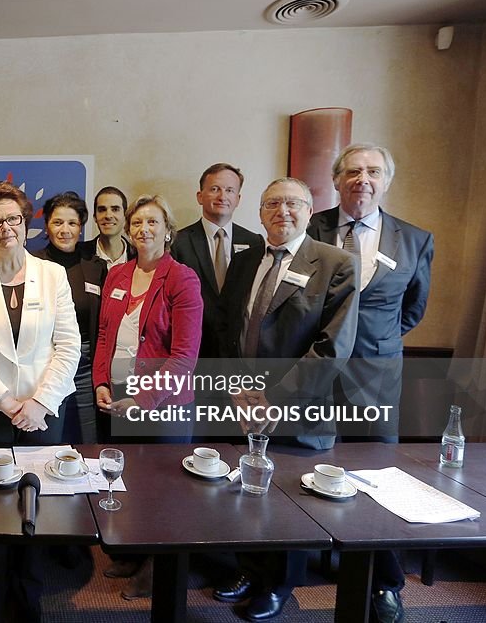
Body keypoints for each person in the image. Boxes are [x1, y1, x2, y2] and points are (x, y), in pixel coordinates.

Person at [214, 177, 358, 622]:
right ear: (259, 214)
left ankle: (278, 584)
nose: (282, 211)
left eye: (292, 203)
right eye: (272, 203)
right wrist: (236, 390)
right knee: (245, 489)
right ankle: (247, 568)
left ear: (310, 210)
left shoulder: (336, 263)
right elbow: (227, 330)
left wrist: (272, 397)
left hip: (297, 406)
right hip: (241, 403)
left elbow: (332, 348)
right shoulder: (245, 261)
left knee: (289, 499)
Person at [307, 143, 433, 623]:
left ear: (386, 181)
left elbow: (412, 311)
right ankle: (286, 572)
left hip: (376, 378)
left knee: (380, 479)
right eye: (353, 171)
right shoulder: (308, 227)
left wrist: (370, 345)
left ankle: (385, 583)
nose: (362, 179)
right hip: (313, 370)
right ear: (337, 181)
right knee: (298, 463)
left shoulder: (415, 239)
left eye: (373, 171)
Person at [0, 181, 81, 622]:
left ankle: (28, 597)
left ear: (26, 225)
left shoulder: (53, 274)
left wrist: (40, 402)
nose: (5, 228)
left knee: (35, 504)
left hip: (44, 411)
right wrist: (7, 402)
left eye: (12, 219)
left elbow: (68, 345)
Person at [92, 194, 203, 599]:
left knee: (163, 490)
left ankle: (157, 570)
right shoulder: (117, 275)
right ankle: (135, 553)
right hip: (121, 393)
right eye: (137, 222)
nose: (144, 229)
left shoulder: (182, 278)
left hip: (164, 402)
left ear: (167, 230)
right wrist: (101, 381)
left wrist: (145, 399)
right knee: (129, 482)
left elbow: (184, 356)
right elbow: (105, 335)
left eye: (153, 222)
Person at [31, 191, 104, 443]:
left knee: (87, 437)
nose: (65, 230)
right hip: (46, 365)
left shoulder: (95, 266)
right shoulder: (33, 264)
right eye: (57, 222)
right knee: (49, 437)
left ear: (81, 227)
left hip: (85, 367)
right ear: (47, 226)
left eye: (72, 223)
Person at [171, 163, 264, 359]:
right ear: (200, 196)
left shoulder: (255, 242)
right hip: (193, 348)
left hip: (238, 350)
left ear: (238, 199)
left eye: (230, 190)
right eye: (215, 189)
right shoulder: (178, 242)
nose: (222, 196)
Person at [78, 185, 136, 270]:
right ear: (95, 217)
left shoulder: (138, 257)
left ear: (125, 216)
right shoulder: (78, 255)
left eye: (115, 209)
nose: (108, 216)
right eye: (102, 210)